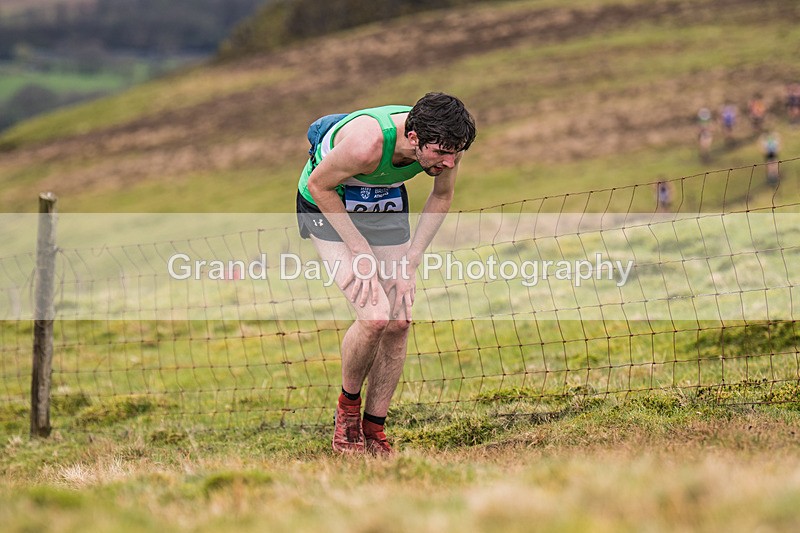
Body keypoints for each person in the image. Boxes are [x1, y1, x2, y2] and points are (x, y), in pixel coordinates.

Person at [296, 93, 477, 455]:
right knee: (375, 316)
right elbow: (320, 186)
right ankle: (347, 413)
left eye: (455, 153)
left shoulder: (446, 142)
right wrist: (360, 250)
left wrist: (410, 260)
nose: (450, 161)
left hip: (383, 202)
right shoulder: (367, 145)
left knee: (399, 319)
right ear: (413, 140)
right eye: (441, 153)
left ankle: (374, 429)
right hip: (327, 202)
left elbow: (441, 197)